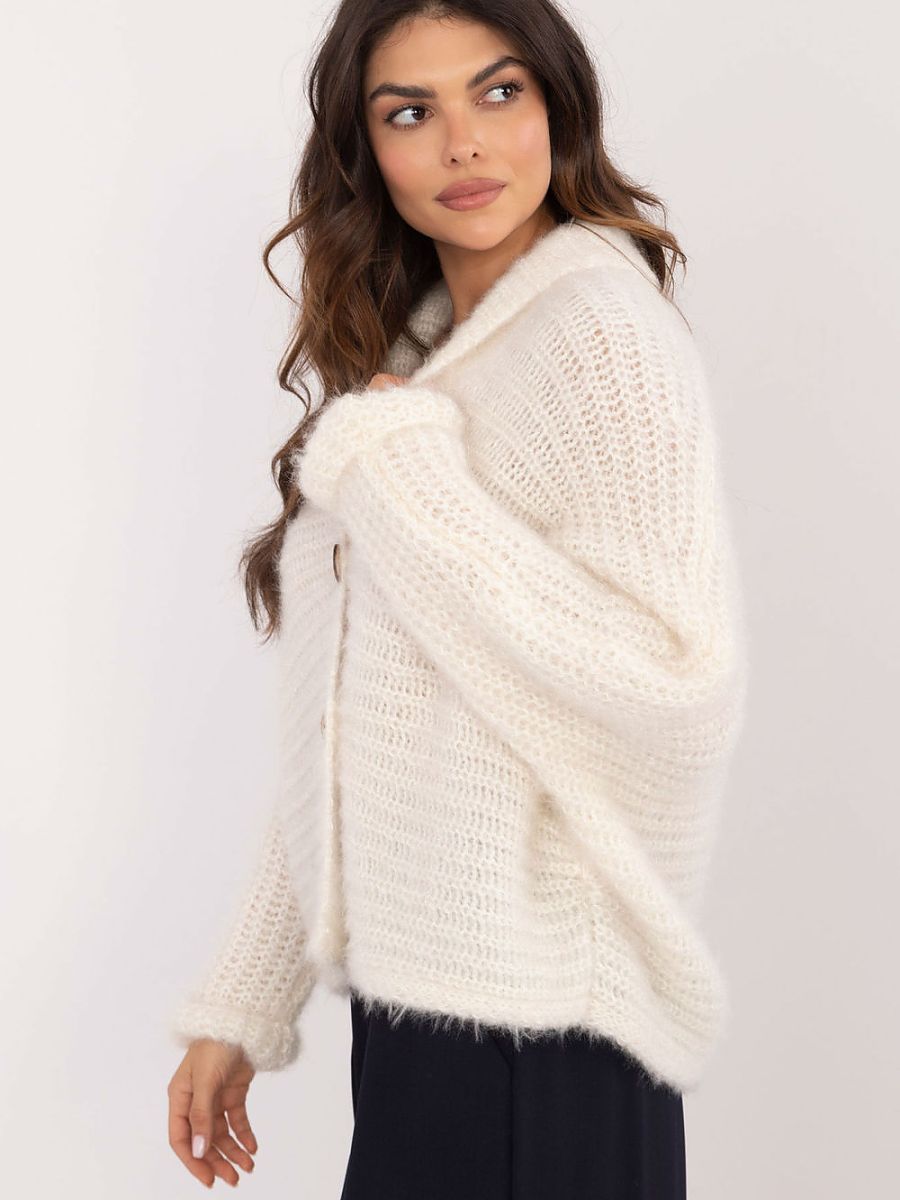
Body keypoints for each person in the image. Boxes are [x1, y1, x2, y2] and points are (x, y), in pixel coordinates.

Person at [166, 1, 748, 1195]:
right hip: (427, 1014)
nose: (463, 142)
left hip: (545, 1024)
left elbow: (676, 685)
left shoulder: (598, 331)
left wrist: (398, 475)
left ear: (557, 105)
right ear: (366, 152)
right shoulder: (420, 356)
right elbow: (352, 729)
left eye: (498, 92)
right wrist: (246, 992)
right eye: (410, 113)